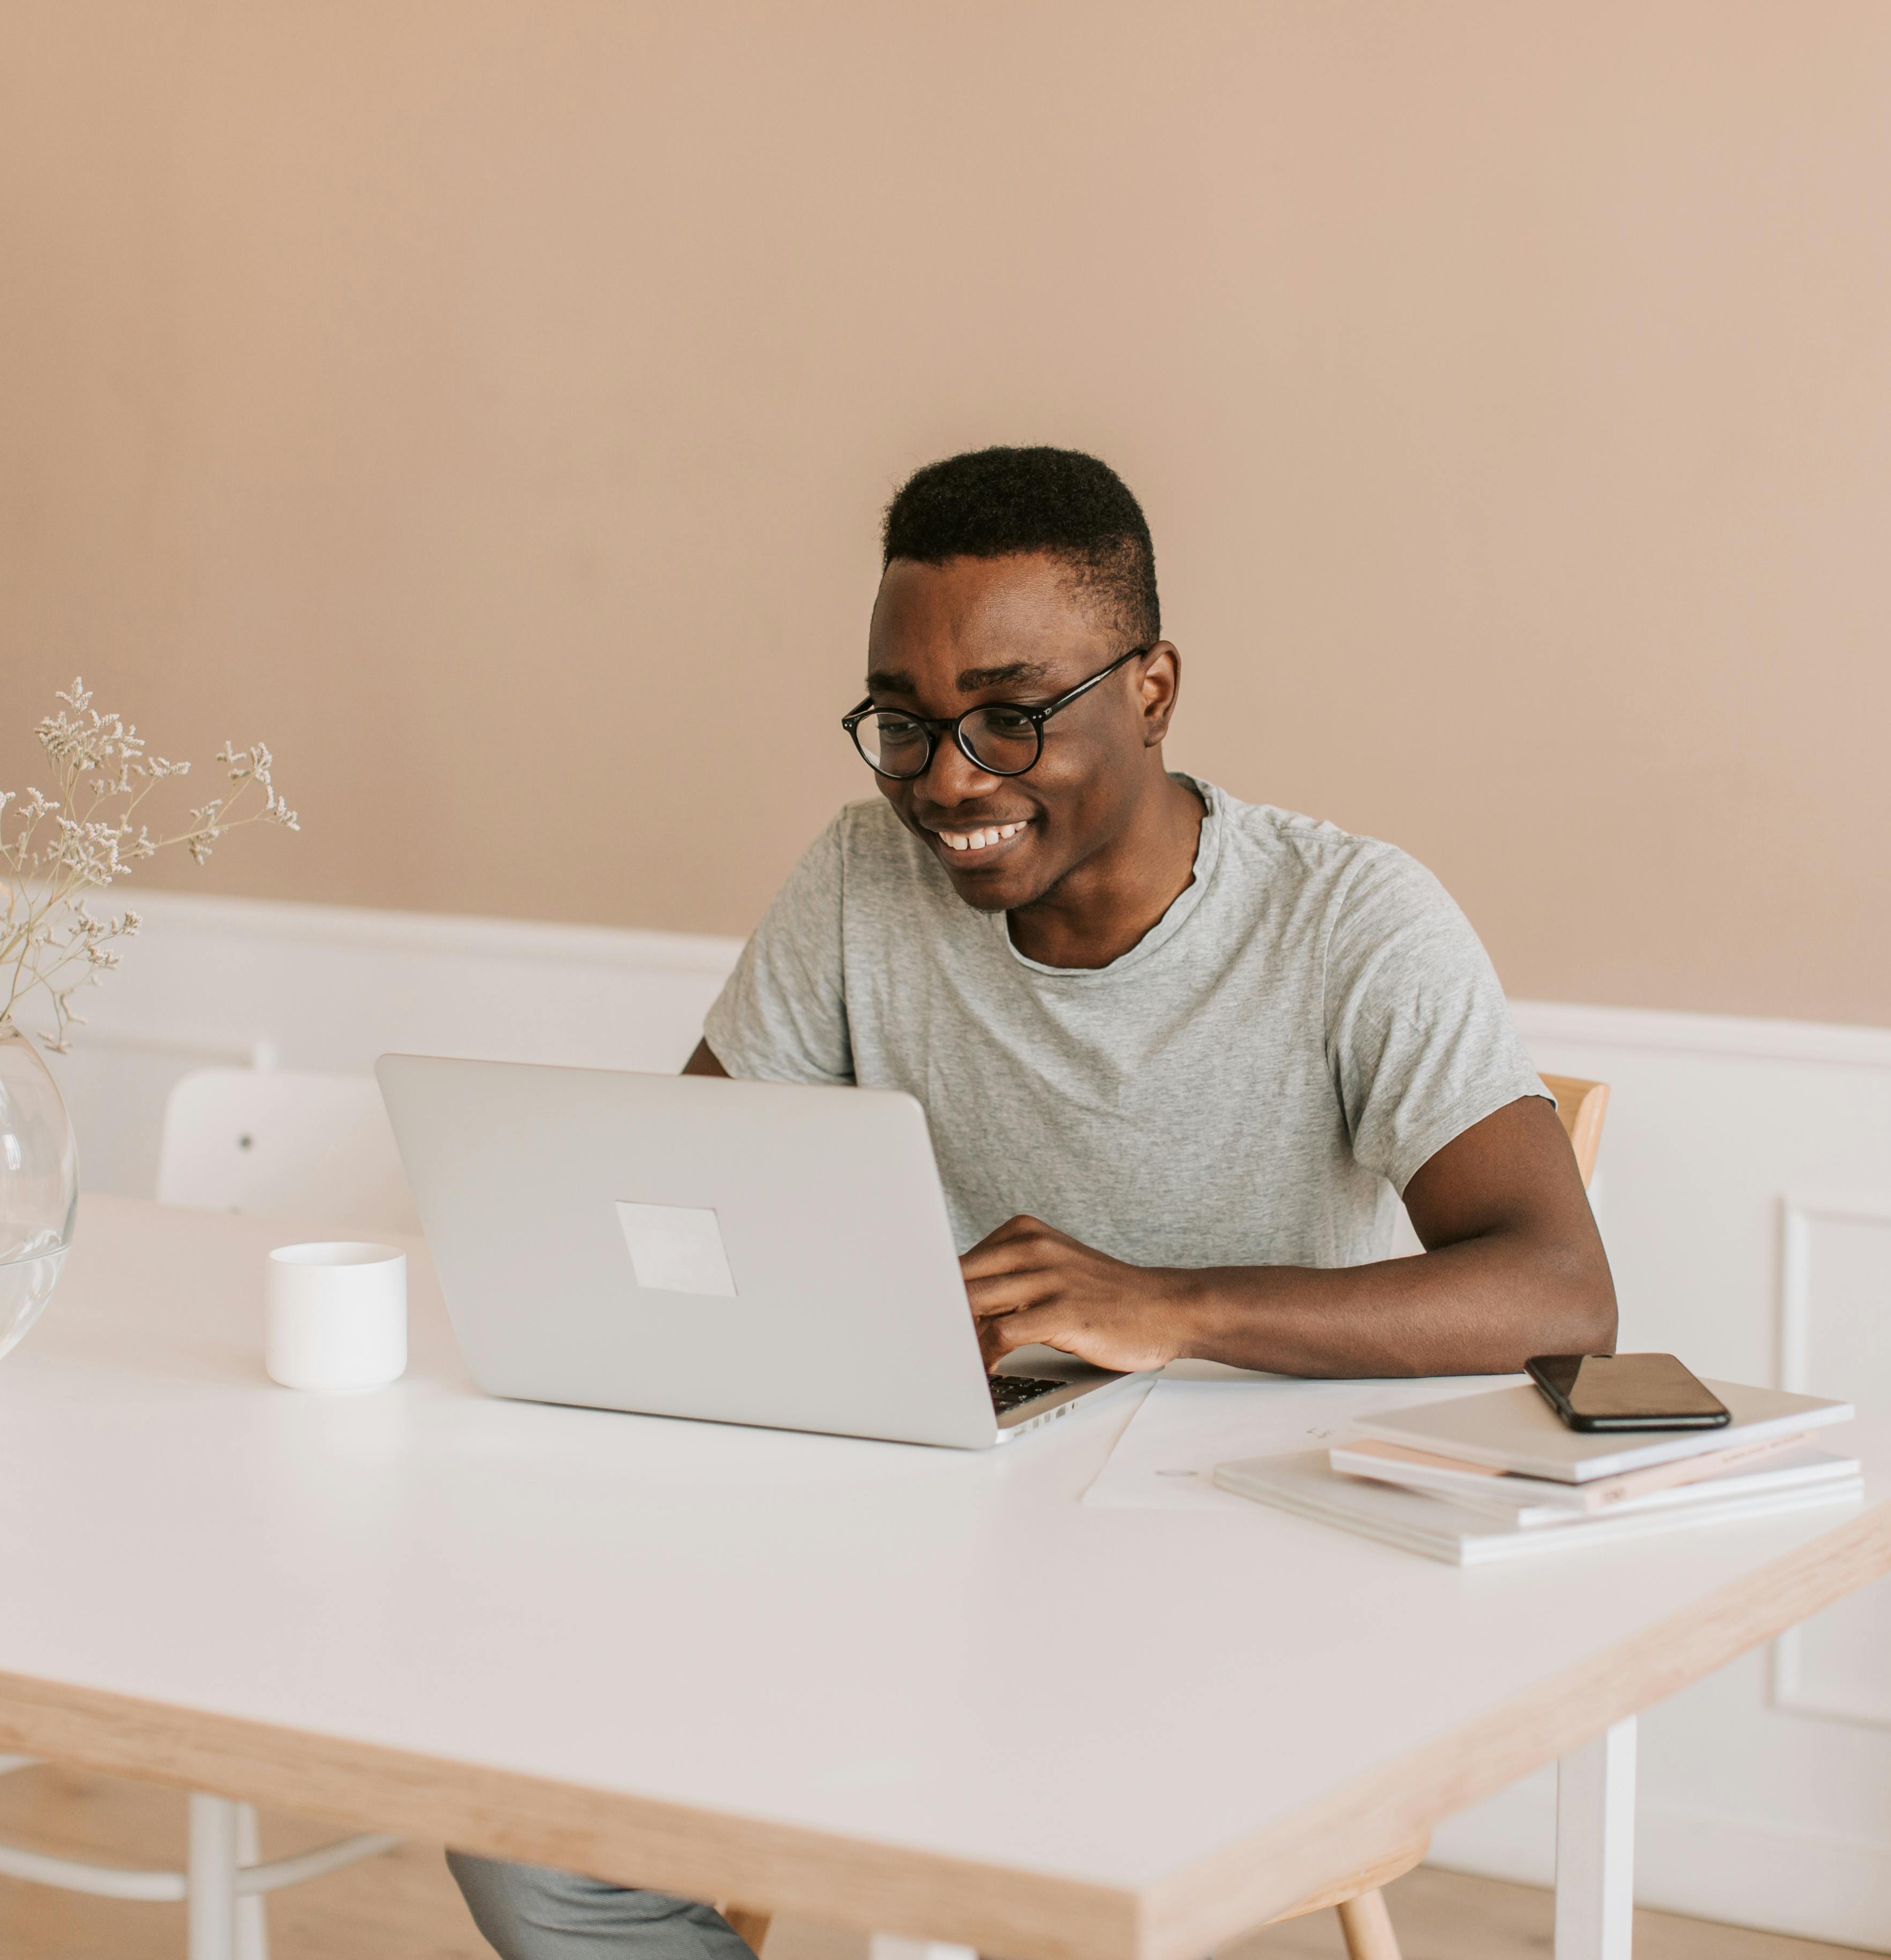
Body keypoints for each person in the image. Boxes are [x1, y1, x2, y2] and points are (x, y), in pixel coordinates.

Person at [449, 444, 1617, 1960]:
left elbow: (1557, 1287)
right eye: (906, 725)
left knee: (1016, 1854)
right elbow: (695, 1198)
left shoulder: (1349, 921)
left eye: (1011, 715)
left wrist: (1170, 1304)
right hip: (922, 1548)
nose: (948, 779)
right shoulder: (864, 879)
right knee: (518, 1797)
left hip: (1234, 1585)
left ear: (1151, 686)